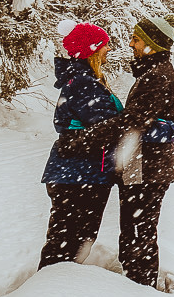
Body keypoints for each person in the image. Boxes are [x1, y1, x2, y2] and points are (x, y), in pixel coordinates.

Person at [37, 22, 123, 268]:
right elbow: (106, 126)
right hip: (78, 175)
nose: (108, 50)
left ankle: (55, 286)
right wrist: (136, 121)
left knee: (68, 240)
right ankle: (50, 289)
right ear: (92, 50)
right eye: (104, 46)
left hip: (78, 173)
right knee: (70, 242)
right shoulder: (85, 83)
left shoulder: (84, 80)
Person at [109, 13, 174, 289]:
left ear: (153, 43)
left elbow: (134, 122)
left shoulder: (157, 76)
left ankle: (139, 288)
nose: (131, 44)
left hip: (147, 170)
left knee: (139, 230)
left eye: (137, 39)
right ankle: (136, 280)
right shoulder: (152, 73)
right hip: (144, 167)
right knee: (136, 228)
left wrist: (101, 126)